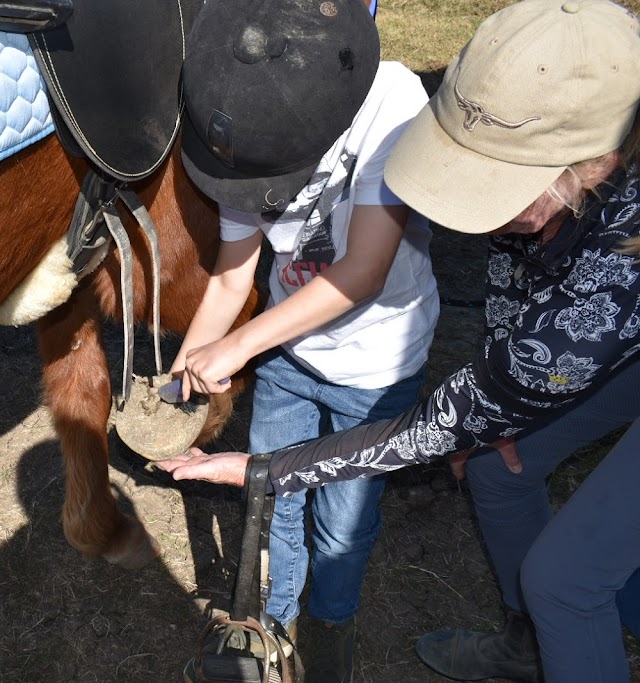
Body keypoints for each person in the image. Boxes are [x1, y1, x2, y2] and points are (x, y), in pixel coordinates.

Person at [159, 1, 640, 681]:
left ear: (599, 164)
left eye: (502, 187)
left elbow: (433, 427)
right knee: (502, 469)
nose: (480, 214)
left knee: (565, 578)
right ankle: (535, 643)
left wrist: (266, 468)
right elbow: (512, 282)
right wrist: (504, 390)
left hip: (521, 343)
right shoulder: (550, 208)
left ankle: (577, 616)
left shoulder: (615, 271)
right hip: (586, 342)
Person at [170, 0, 438, 679]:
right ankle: (272, 618)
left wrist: (237, 348)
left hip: (378, 362)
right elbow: (232, 282)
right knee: (271, 494)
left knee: (344, 525)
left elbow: (364, 271)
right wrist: (185, 374)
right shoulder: (235, 114)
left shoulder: (391, 101)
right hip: (291, 352)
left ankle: (330, 622)